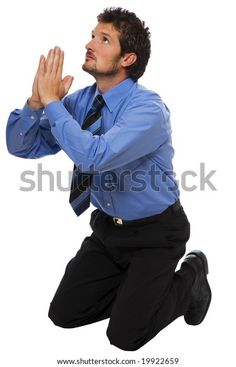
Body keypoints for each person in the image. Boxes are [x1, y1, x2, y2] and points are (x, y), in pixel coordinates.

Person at [6, 7, 211, 351]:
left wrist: (54, 103)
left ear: (128, 58)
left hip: (156, 233)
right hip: (107, 231)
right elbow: (21, 146)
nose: (89, 44)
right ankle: (138, 295)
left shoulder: (148, 110)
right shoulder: (81, 102)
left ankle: (190, 277)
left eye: (104, 39)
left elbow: (94, 156)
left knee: (125, 337)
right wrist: (35, 102)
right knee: (64, 314)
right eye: (92, 35)